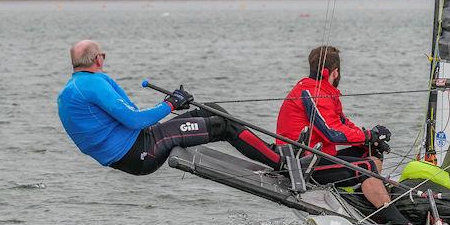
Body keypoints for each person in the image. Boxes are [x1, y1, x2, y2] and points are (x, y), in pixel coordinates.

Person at [57, 40, 287, 176]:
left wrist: (172, 106)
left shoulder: (74, 86)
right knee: (222, 125)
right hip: (139, 152)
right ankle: (281, 164)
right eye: (103, 56)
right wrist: (170, 103)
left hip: (137, 144)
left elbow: (130, 116)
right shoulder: (93, 84)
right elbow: (135, 120)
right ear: (98, 59)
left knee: (211, 110)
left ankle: (271, 152)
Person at [275, 45, 409, 225]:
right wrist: (368, 135)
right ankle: (397, 221)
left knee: (372, 150)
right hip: (303, 165)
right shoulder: (312, 92)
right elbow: (332, 134)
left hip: (321, 156)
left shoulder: (324, 92)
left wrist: (371, 138)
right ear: (335, 72)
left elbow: (343, 124)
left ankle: (368, 204)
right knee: (366, 166)